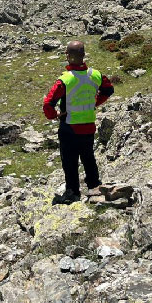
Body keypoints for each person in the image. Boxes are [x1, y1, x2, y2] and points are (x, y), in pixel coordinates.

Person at [42, 41, 114, 204]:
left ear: (68, 56)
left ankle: (73, 192)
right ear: (83, 55)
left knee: (70, 161)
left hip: (69, 127)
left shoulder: (65, 80)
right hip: (88, 126)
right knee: (89, 157)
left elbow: (48, 104)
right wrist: (94, 103)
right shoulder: (95, 75)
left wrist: (56, 115)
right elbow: (108, 89)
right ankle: (95, 187)